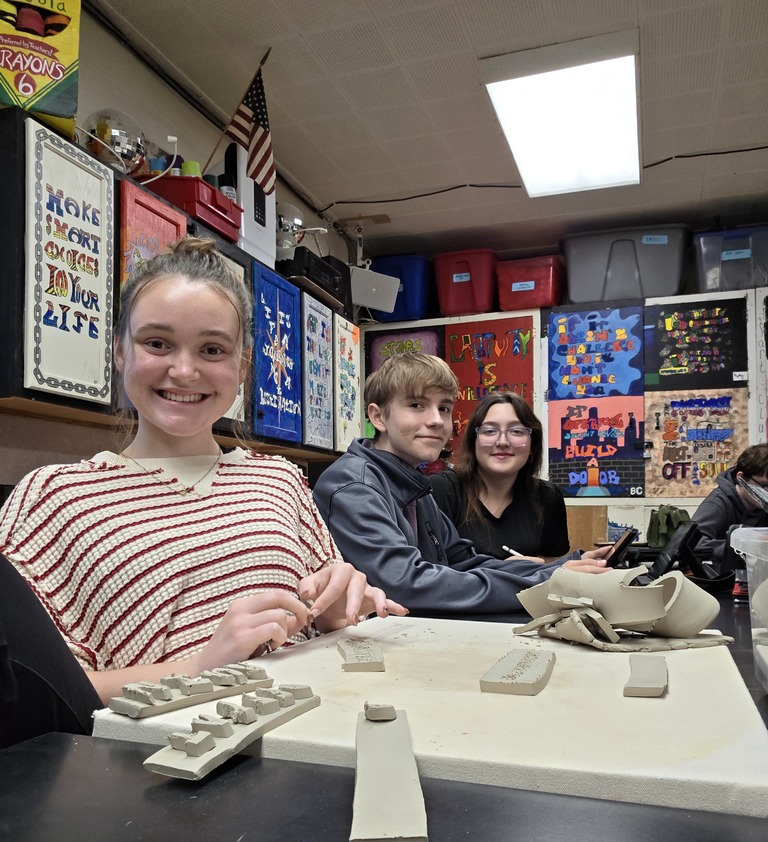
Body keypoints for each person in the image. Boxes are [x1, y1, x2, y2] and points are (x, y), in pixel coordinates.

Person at [0, 237, 405, 745]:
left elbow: (326, 619)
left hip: (321, 742)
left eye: (212, 349)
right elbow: (43, 695)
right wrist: (201, 665)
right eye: (157, 343)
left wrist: (334, 609)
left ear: (241, 368)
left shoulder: (278, 478)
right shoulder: (52, 498)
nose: (184, 370)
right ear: (121, 351)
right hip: (160, 774)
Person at [312, 352, 611, 622]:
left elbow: (464, 561)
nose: (436, 421)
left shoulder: (412, 483)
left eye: (443, 408)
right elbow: (404, 585)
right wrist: (546, 583)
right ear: (378, 417)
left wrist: (561, 569)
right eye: (416, 405)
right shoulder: (354, 485)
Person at [430, 393, 569, 562]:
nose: (502, 441)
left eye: (516, 431)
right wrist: (504, 573)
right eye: (489, 431)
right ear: (474, 442)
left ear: (533, 445)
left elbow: (553, 563)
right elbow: (428, 572)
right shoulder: (440, 491)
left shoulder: (547, 497)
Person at [692, 443, 768, 571]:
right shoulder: (717, 504)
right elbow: (694, 544)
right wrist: (743, 547)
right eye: (764, 485)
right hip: (723, 581)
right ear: (741, 478)